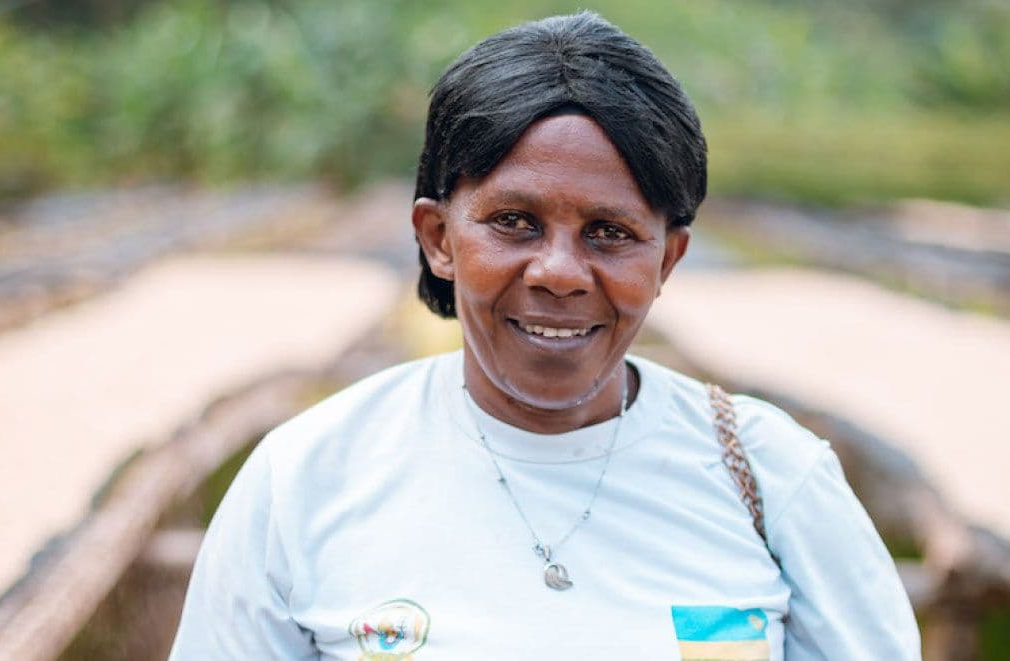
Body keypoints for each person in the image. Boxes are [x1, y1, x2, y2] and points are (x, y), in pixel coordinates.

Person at [170, 12, 920, 660]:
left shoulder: (776, 482)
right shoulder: (305, 479)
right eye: (513, 222)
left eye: (610, 232)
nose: (560, 272)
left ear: (668, 258)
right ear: (437, 237)